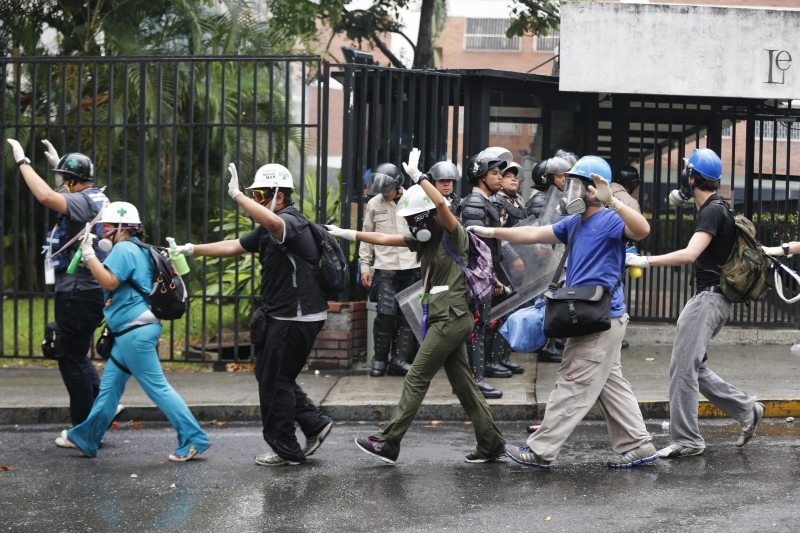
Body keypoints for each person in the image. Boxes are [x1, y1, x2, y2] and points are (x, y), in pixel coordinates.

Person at [474, 155, 658, 469]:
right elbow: (533, 234)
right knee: (610, 384)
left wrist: (613, 201)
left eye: (577, 184)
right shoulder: (575, 222)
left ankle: (541, 450)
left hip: (599, 318)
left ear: (592, 190)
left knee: (571, 381)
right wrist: (491, 233)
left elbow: (642, 229)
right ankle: (639, 445)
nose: (570, 190)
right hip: (591, 317)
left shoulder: (611, 219)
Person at [325, 148, 506, 464]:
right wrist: (346, 234)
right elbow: (384, 240)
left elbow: (439, 203)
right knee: (464, 386)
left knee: (416, 378)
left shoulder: (455, 235)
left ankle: (389, 442)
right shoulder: (425, 241)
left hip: (450, 318)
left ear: (424, 219)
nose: (408, 225)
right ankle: (491, 442)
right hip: (445, 318)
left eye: (410, 220)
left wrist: (418, 176)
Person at [172, 163, 334, 466]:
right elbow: (234, 245)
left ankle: (286, 449)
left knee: (276, 382)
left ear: (280, 198)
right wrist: (191, 249)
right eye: (254, 195)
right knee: (271, 375)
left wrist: (236, 195)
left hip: (294, 318)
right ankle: (314, 423)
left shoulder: (290, 223)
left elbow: (274, 225)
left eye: (260, 195)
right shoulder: (267, 229)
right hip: (285, 316)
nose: (255, 200)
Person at [626, 148, 765, 459]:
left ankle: (688, 440)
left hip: (708, 299)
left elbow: (690, 254)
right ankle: (747, 409)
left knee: (683, 369)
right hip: (712, 300)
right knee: (695, 367)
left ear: (690, 178)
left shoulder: (712, 212)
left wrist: (643, 260)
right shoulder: (719, 208)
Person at [53, 202, 210, 461]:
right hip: (132, 331)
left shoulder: (123, 248)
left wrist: (90, 255)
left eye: (106, 227)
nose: (103, 232)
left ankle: (194, 439)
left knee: (158, 388)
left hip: (133, 331)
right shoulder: (137, 248)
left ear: (121, 229)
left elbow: (109, 281)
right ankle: (86, 437)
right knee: (109, 389)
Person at [7, 138, 116, 428]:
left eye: (63, 179)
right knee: (77, 354)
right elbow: (70, 199)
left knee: (70, 357)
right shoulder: (97, 197)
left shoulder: (81, 200)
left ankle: (85, 428)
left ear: (71, 181)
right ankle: (101, 414)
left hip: (78, 292)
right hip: (89, 290)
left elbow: (45, 196)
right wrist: (60, 167)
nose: (60, 184)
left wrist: (23, 161)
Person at [359, 163, 420, 377]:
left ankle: (399, 360)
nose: (384, 194)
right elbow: (366, 235)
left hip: (412, 269)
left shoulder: (414, 199)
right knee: (385, 315)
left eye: (387, 189)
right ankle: (379, 360)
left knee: (407, 317)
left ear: (397, 185)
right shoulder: (374, 204)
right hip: (385, 270)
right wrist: (364, 265)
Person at [460, 150, 512, 399]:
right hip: (476, 277)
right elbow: (474, 246)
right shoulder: (474, 204)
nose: (500, 177)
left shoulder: (486, 202)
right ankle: (474, 381)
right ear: (480, 176)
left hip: (485, 275)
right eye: (494, 173)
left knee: (479, 326)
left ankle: (475, 379)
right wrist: (489, 277)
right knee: (475, 328)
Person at [526, 155, 572, 364]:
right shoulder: (540, 201)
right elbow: (539, 232)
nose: (564, 179)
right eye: (560, 176)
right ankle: (546, 345)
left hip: (551, 260)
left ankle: (551, 342)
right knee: (546, 301)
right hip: (540, 263)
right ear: (547, 177)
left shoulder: (551, 198)